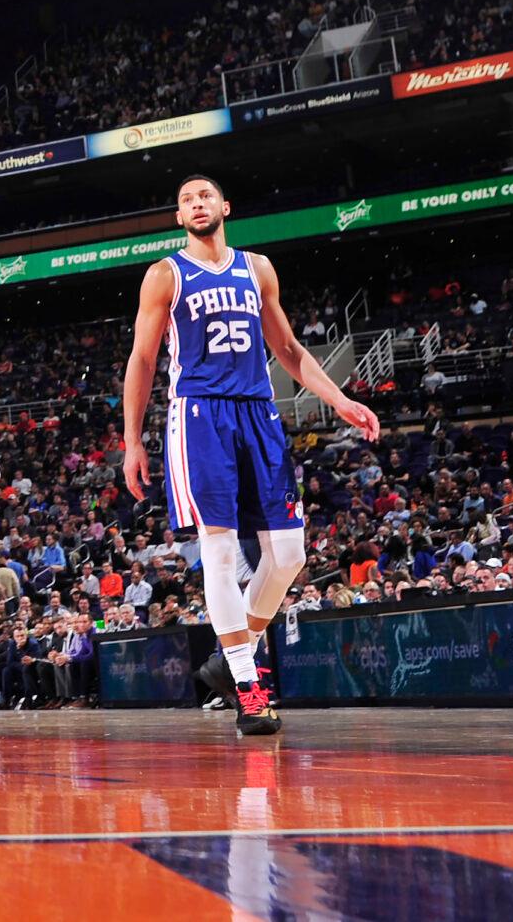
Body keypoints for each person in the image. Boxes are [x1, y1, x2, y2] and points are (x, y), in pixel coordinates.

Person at [119, 175, 381, 738]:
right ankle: (247, 686)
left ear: (225, 206)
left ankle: (230, 657)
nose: (197, 203)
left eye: (205, 196)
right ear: (178, 217)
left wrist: (338, 400)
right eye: (187, 199)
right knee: (218, 553)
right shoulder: (165, 274)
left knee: (288, 554)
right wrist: (132, 440)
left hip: (259, 411)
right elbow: (142, 359)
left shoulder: (257, 268)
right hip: (199, 416)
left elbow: (286, 347)